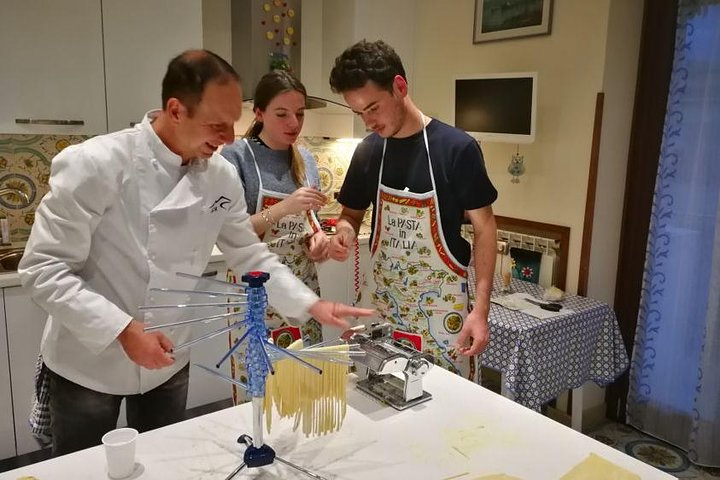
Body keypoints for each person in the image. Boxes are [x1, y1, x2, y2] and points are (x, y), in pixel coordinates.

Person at [18, 49, 371, 456]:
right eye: (216, 125)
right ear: (175, 110)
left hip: (171, 354)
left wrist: (311, 304)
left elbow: (249, 254)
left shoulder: (218, 175)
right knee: (82, 468)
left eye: (232, 126)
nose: (226, 139)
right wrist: (122, 329)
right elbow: (43, 269)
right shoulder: (95, 163)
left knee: (166, 460)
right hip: (89, 360)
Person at [327, 40, 498, 382]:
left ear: (400, 86)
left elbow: (485, 229)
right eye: (358, 113)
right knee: (374, 398)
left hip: (441, 313)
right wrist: (344, 233)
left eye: (373, 108)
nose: (367, 122)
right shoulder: (368, 151)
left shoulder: (456, 148)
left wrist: (480, 311)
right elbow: (351, 215)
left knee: (444, 407)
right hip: (382, 308)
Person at [221, 70, 329, 348]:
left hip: (302, 288)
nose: (294, 123)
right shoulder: (236, 156)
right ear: (259, 113)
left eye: (300, 113)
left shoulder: (305, 159)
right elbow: (231, 233)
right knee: (259, 379)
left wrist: (317, 241)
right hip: (255, 292)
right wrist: (284, 207)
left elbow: (310, 223)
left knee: (306, 379)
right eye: (282, 114)